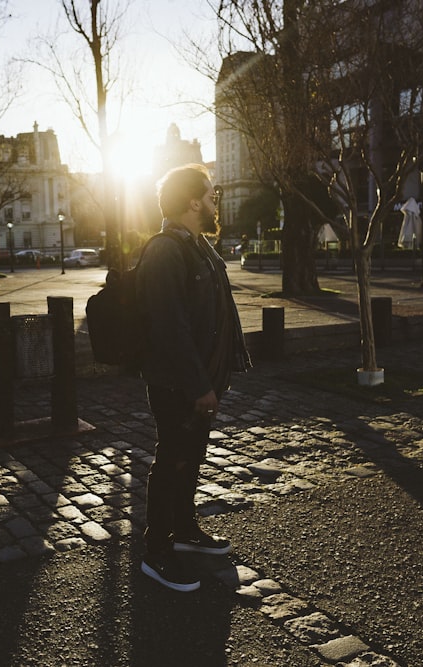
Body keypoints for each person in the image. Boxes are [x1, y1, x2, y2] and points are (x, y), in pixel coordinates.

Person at [135, 163, 251, 592]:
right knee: (174, 460)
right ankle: (157, 552)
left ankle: (183, 530)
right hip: (178, 384)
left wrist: (215, 379)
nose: (215, 199)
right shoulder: (165, 250)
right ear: (192, 201)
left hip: (201, 382)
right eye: (210, 193)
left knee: (191, 458)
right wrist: (199, 385)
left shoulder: (199, 244)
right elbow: (170, 327)